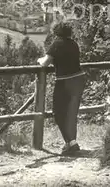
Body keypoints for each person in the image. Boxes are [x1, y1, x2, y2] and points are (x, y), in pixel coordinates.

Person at [37, 21, 84, 155]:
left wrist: (39, 60)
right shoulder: (74, 44)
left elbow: (45, 63)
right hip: (79, 79)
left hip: (65, 81)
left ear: (56, 32)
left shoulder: (57, 44)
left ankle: (71, 143)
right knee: (71, 113)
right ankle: (71, 142)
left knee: (58, 113)